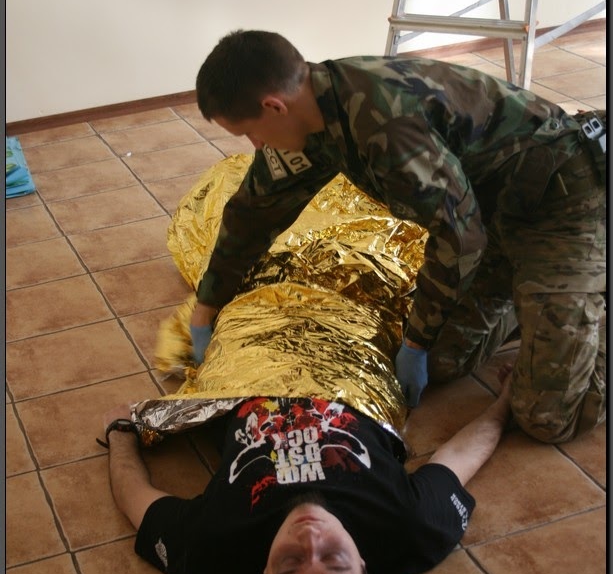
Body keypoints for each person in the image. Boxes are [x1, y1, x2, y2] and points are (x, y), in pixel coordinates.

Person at [189, 30, 606, 445]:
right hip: (491, 218)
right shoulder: (311, 115)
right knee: (443, 361)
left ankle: (578, 288)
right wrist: (207, 306)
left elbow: (459, 240)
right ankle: (543, 300)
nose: (256, 145)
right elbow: (254, 213)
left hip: (562, 205)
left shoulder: (386, 125)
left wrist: (416, 343)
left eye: (250, 132)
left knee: (548, 417)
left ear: (273, 106)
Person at [103, 370, 512, 574]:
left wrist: (120, 432)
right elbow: (461, 456)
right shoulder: (412, 527)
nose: (311, 538)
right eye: (334, 559)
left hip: (251, 364)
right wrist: (508, 400)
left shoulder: (210, 547)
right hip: (350, 358)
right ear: (364, 566)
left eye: (289, 563)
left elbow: (134, 496)